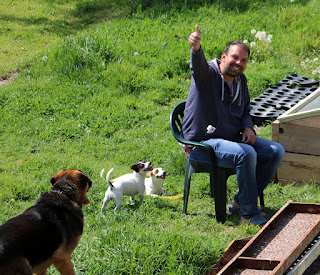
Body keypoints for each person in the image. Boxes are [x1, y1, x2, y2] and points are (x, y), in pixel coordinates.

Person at [181, 25, 285, 226]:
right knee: (246, 153)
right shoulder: (207, 76)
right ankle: (248, 213)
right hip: (203, 144)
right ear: (224, 56)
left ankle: (239, 202)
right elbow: (198, 67)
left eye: (243, 60)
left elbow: (246, 110)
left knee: (275, 151)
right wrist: (196, 49)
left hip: (229, 139)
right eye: (235, 58)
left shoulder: (240, 81)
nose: (239, 63)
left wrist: (248, 127)